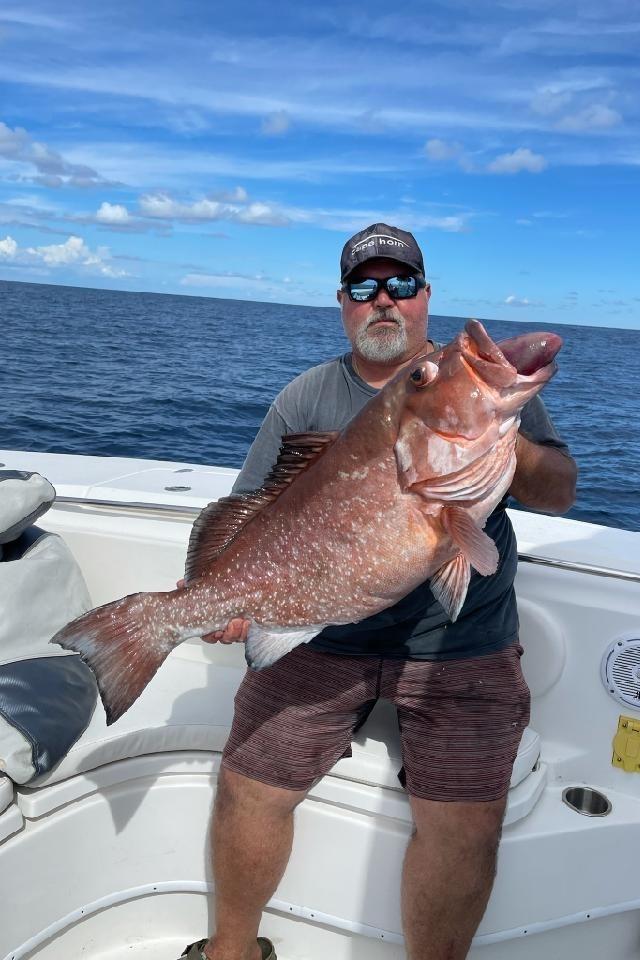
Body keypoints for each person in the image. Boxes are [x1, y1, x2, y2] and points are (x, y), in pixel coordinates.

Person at [180, 223, 577, 960]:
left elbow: (559, 492)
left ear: (426, 298)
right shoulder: (305, 398)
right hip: (323, 632)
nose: (384, 300)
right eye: (365, 288)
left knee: (463, 823)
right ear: (343, 304)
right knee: (249, 784)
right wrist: (223, 599)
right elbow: (243, 517)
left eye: (402, 285)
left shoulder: (478, 383)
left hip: (461, 643)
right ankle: (228, 952)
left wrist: (495, 433)